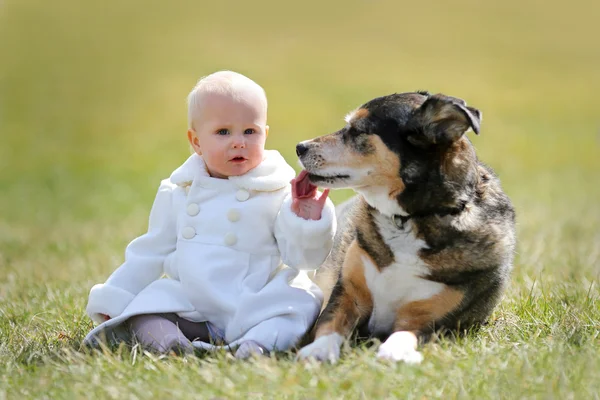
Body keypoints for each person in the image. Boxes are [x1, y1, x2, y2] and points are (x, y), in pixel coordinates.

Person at [84, 71, 336, 358]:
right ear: (196, 141)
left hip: (256, 300)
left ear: (265, 134)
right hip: (193, 304)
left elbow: (302, 259)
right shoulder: (179, 191)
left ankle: (256, 347)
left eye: (250, 131)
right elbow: (149, 252)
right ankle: (170, 345)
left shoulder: (277, 191)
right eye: (223, 132)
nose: (238, 142)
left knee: (298, 305)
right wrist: (116, 296)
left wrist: (305, 219)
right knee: (144, 310)